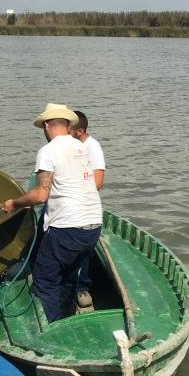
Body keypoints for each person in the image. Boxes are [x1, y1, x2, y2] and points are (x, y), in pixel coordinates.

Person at [2, 103, 102, 323]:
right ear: (67, 125)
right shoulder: (82, 147)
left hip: (67, 228)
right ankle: (67, 319)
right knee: (67, 278)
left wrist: (15, 203)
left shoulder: (48, 151)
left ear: (47, 126)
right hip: (93, 226)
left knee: (45, 281)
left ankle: (53, 332)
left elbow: (40, 195)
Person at [70, 110, 106, 309]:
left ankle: (81, 288)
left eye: (70, 129)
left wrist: (71, 190)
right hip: (66, 207)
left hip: (82, 207)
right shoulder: (68, 147)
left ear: (80, 131)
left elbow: (98, 182)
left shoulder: (92, 147)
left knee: (82, 250)